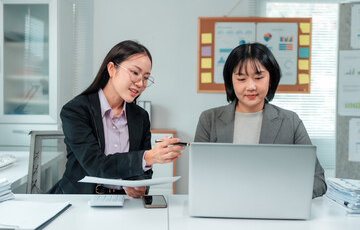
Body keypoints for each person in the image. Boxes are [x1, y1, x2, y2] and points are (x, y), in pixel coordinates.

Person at [49, 40, 183, 198]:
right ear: (112, 69)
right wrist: (150, 156)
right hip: (80, 200)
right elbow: (95, 164)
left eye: (146, 77)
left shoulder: (140, 116)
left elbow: (145, 172)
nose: (140, 83)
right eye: (135, 72)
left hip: (123, 201)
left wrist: (141, 187)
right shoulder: (75, 111)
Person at [194, 42, 327, 198]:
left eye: (258, 77)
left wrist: (281, 195)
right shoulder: (209, 120)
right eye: (241, 79)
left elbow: (317, 180)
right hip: (223, 207)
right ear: (231, 81)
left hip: (276, 210)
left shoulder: (290, 121)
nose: (251, 86)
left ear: (270, 79)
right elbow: (198, 176)